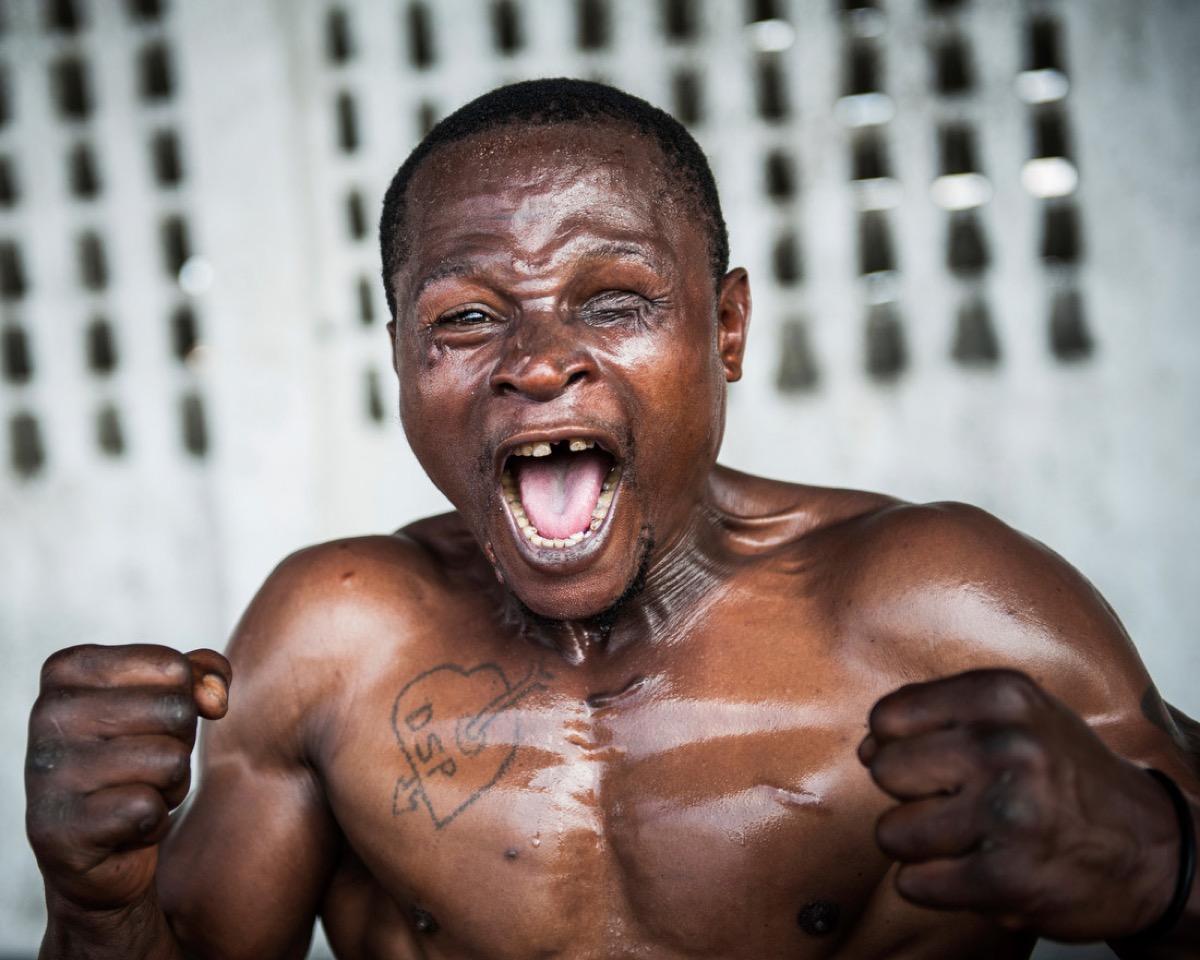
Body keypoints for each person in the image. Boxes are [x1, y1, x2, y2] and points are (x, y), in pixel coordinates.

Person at [25, 79, 1200, 960]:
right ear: (399, 358)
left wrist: (1160, 860)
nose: (538, 363)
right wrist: (96, 904)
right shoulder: (332, 640)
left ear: (726, 329)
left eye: (616, 298)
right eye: (468, 319)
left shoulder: (940, 607)